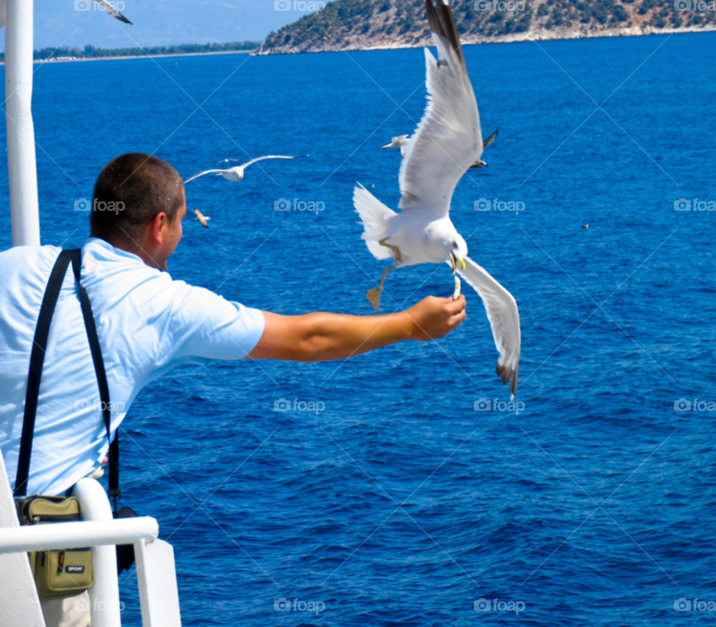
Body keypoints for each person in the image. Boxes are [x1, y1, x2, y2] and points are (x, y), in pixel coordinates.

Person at [0, 153, 467, 627]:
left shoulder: (14, 266)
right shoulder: (163, 303)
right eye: (182, 222)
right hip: (34, 560)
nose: (183, 235)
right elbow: (307, 339)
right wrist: (409, 324)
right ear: (160, 226)